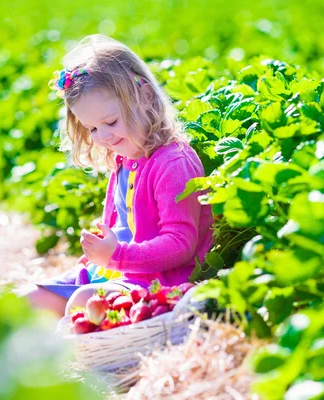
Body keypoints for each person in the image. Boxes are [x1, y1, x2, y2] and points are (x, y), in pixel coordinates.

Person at [17, 34, 214, 318]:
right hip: (112, 274)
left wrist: (116, 254)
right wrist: (100, 254)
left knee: (83, 304)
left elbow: (180, 244)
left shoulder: (173, 163)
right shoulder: (124, 161)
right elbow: (121, 228)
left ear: (145, 97)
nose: (103, 136)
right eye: (92, 129)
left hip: (158, 281)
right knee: (21, 303)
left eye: (110, 122)